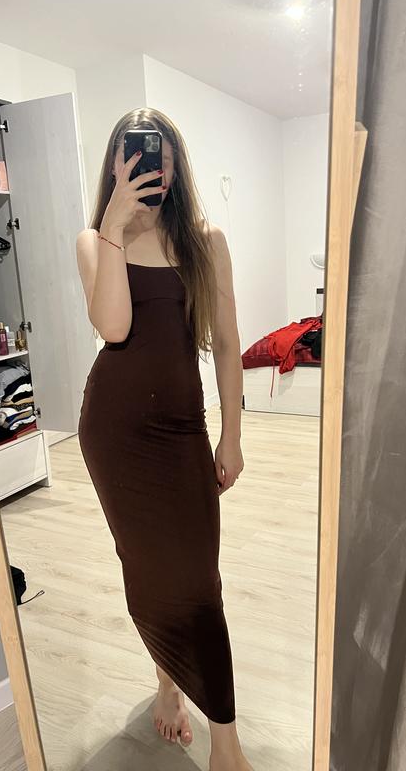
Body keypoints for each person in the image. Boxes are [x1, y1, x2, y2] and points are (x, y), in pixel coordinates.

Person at [76, 108, 252, 771]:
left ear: (176, 163)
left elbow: (229, 343)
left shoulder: (206, 240)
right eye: (134, 154)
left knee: (200, 582)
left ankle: (225, 740)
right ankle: (170, 689)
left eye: (160, 154)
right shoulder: (95, 240)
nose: (150, 166)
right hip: (114, 431)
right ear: (115, 164)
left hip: (182, 429)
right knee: (146, 569)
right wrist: (114, 228)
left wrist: (232, 436)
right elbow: (115, 328)